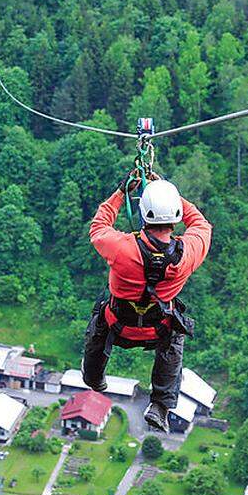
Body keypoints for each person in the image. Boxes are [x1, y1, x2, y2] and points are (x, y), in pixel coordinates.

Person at [82, 177, 212, 432]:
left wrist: (120, 192)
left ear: (143, 214)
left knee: (100, 315)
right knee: (176, 336)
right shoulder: (188, 254)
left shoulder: (120, 247)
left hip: (118, 326)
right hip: (158, 330)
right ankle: (161, 405)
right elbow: (200, 223)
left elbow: (99, 226)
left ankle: (94, 377)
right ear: (174, 218)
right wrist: (170, 194)